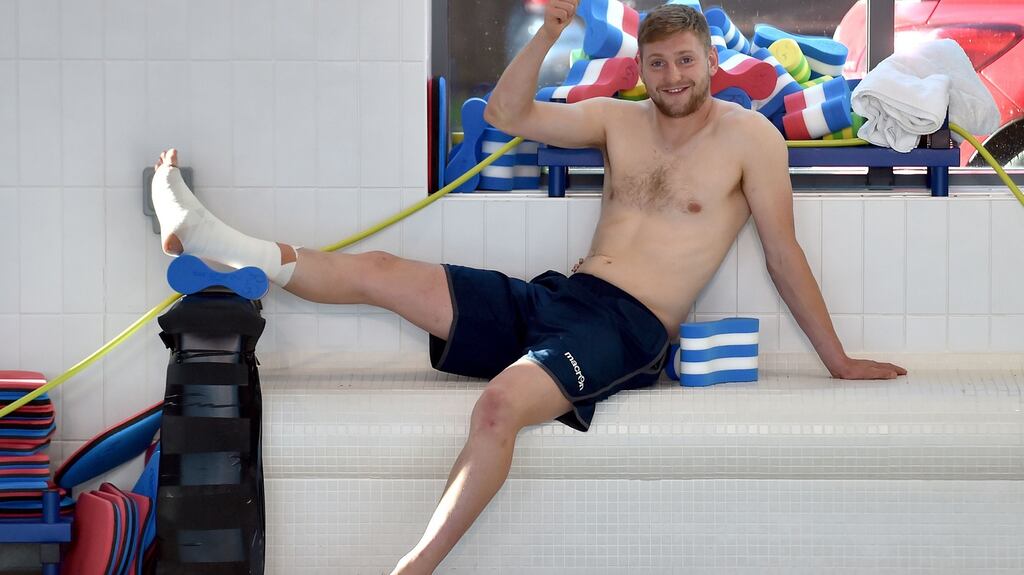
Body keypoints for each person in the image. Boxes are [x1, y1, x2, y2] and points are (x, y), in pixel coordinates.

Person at [151, 2, 906, 572]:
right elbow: (507, 113)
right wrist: (549, 30)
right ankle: (222, 243)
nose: (673, 77)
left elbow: (783, 255)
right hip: (563, 299)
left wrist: (838, 360)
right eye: (658, 64)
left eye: (685, 60)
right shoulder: (618, 120)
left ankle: (414, 567)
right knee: (380, 271)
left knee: (498, 407)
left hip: (629, 331)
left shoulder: (752, 140)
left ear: (712, 60)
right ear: (642, 70)